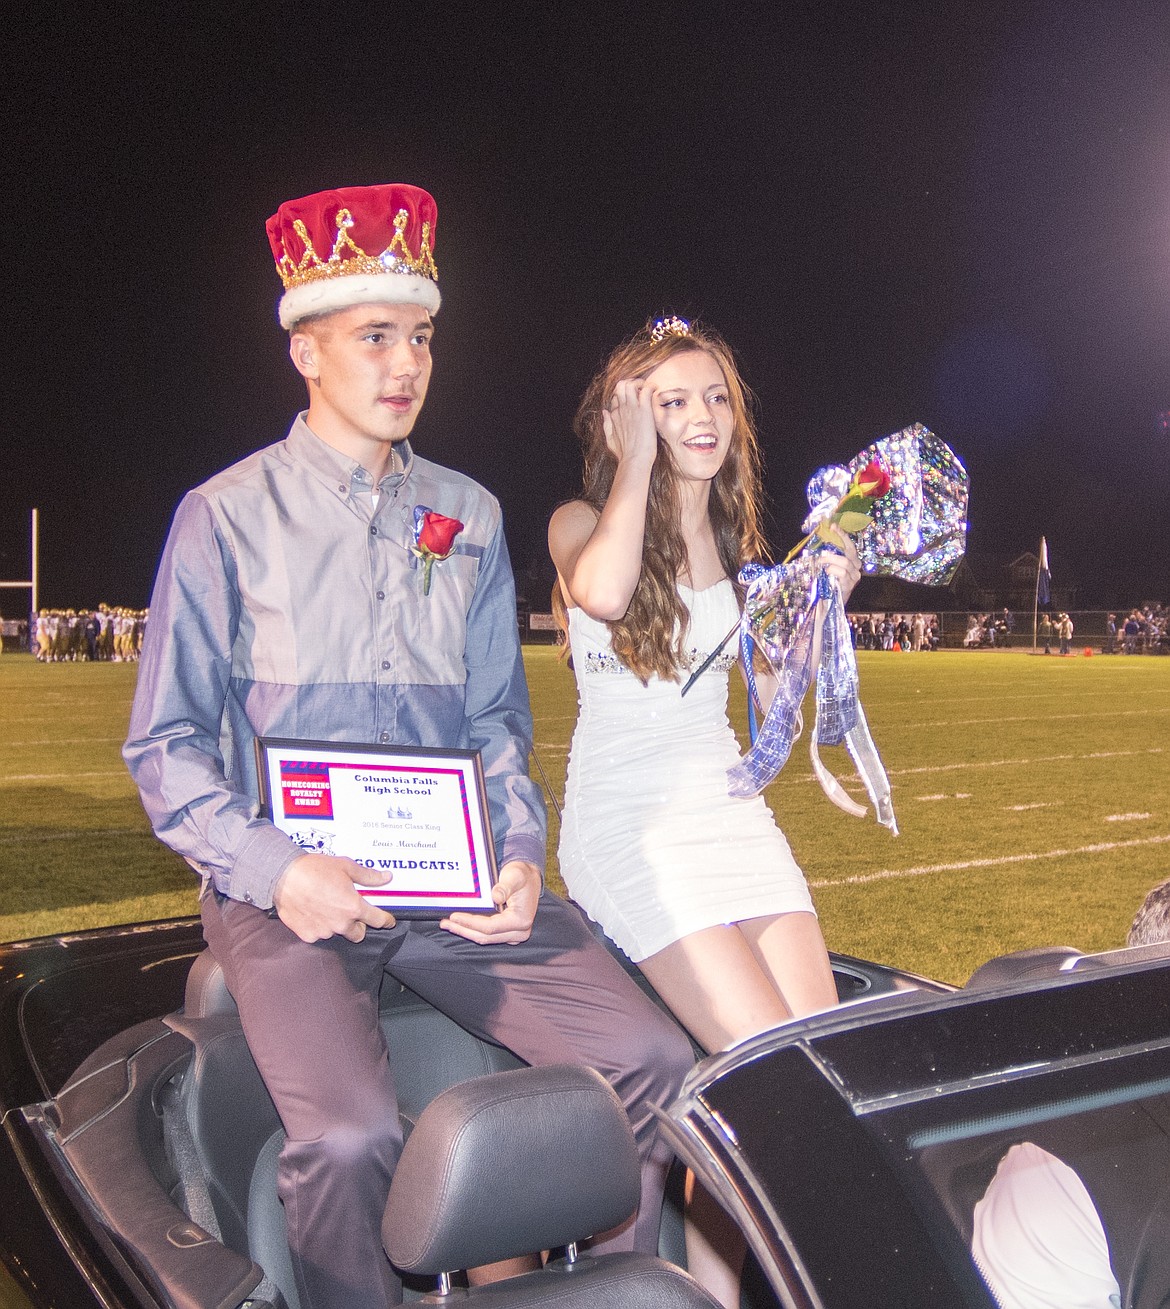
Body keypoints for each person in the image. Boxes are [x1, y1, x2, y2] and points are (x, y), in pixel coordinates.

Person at [123, 184, 692, 1309]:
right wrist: (280, 869)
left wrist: (518, 853)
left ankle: (603, 1291)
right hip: (286, 890)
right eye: (373, 335)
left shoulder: (467, 515)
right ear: (305, 349)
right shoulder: (226, 516)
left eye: (420, 336)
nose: (405, 363)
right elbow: (165, 745)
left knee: (656, 1060)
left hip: (455, 885)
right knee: (343, 1141)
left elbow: (494, 727)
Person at [548, 315, 858, 1303]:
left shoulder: (737, 542)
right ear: (625, 416)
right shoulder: (577, 521)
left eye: (716, 396)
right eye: (672, 398)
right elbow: (600, 588)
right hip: (633, 828)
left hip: (730, 815)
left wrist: (828, 589)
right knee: (765, 1084)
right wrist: (636, 458)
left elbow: (769, 684)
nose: (702, 414)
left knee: (819, 1069)